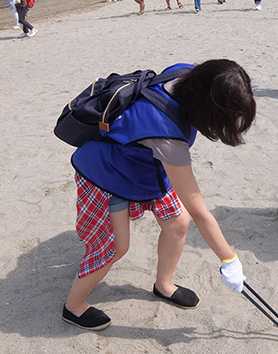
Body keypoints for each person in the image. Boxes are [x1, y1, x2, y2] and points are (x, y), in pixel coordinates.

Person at [62, 60, 256, 330]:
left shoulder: (186, 73)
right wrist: (229, 259)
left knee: (178, 222)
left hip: (145, 165)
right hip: (107, 172)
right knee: (116, 246)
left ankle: (163, 285)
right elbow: (198, 207)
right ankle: (74, 306)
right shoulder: (167, 138)